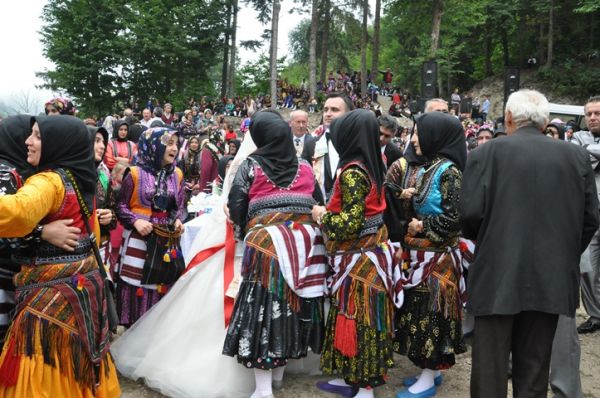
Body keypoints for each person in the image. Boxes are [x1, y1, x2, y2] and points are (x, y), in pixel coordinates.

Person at [460, 90, 599, 398]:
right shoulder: (575, 156)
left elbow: (469, 216)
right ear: (545, 121)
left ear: (508, 118)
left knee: (490, 371)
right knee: (535, 369)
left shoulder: (485, 153)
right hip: (550, 278)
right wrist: (562, 254)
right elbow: (590, 218)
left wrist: (492, 242)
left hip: (496, 274)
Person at [0, 115, 120, 397]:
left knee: (45, 368)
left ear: (57, 144)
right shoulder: (79, 177)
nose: (28, 142)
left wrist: (36, 229)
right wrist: (42, 231)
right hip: (81, 291)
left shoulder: (49, 181)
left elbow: (16, 212)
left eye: (38, 136)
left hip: (50, 301)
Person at [223, 111, 326, 398]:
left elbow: (238, 204)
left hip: (267, 249)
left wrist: (244, 233)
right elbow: (318, 202)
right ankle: (279, 377)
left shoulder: (251, 166)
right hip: (303, 247)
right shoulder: (305, 166)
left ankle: (264, 388)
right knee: (293, 307)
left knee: (265, 310)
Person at [311, 109, 399, 398]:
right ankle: (354, 378)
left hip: (358, 261)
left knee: (359, 320)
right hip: (372, 257)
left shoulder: (352, 172)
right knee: (361, 320)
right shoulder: (374, 164)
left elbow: (349, 224)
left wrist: (322, 215)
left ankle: (364, 388)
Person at [393, 111, 467, 398]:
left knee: (432, 316)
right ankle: (430, 372)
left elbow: (455, 218)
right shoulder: (429, 167)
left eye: (418, 133)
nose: (413, 139)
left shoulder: (450, 171)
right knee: (420, 314)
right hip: (422, 255)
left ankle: (429, 372)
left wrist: (422, 224)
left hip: (437, 259)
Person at [115, 127, 185, 327]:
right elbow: (120, 206)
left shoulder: (177, 174)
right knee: (138, 285)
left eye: (176, 143)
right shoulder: (134, 173)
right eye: (169, 143)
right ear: (154, 145)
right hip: (140, 239)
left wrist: (178, 219)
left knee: (163, 283)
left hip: (166, 239)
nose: (174, 148)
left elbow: (179, 206)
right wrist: (135, 220)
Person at [572, 96, 600, 334]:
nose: (592, 118)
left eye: (597, 113)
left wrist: (588, 152)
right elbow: (578, 159)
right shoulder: (578, 137)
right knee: (589, 267)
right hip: (590, 213)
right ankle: (595, 314)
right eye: (589, 114)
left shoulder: (581, 142)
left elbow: (584, 156)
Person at [312, 93, 354, 204]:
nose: (328, 114)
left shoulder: (358, 145)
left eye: (334, 110)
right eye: (326, 110)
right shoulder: (312, 144)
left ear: (348, 114)